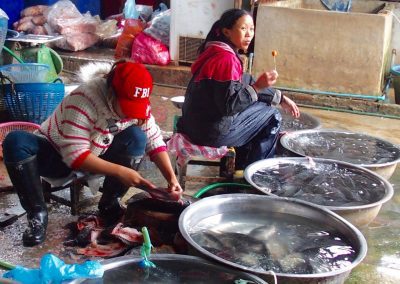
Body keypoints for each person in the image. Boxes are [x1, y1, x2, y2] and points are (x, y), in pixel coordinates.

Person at [2, 60, 183, 247]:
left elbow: (154, 140)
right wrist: (122, 172)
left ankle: (110, 204)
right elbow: (76, 155)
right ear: (112, 92)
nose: (131, 115)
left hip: (97, 154)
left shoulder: (138, 104)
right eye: (127, 106)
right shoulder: (84, 98)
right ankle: (37, 215)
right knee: (16, 141)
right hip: (58, 158)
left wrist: (171, 178)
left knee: (136, 137)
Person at [177, 8, 300, 169]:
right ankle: (256, 172)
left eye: (251, 29)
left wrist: (280, 97)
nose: (249, 34)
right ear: (227, 32)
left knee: (260, 106)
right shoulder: (226, 59)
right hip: (210, 134)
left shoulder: (215, 51)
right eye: (243, 29)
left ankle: (241, 166)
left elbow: (244, 82)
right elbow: (229, 106)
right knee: (272, 116)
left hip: (194, 126)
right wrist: (257, 87)